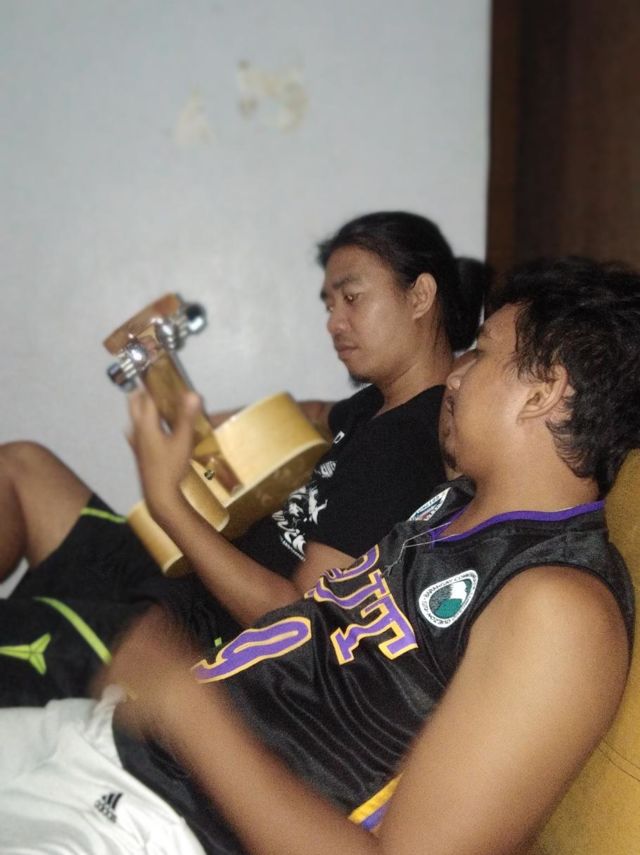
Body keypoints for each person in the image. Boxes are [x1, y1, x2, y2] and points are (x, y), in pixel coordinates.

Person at [0, 256, 637, 855]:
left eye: (484, 352)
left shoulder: (561, 609)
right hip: (110, 741)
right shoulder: (458, 504)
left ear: (544, 392)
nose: (457, 373)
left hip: (156, 825)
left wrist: (190, 710)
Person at [0, 210, 487, 705]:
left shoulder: (403, 446)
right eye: (329, 305)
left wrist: (168, 503)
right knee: (21, 468)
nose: (334, 323)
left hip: (186, 632)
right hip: (178, 580)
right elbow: (315, 414)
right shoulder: (376, 406)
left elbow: (298, 623)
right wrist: (196, 421)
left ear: (420, 296)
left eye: (352, 298)